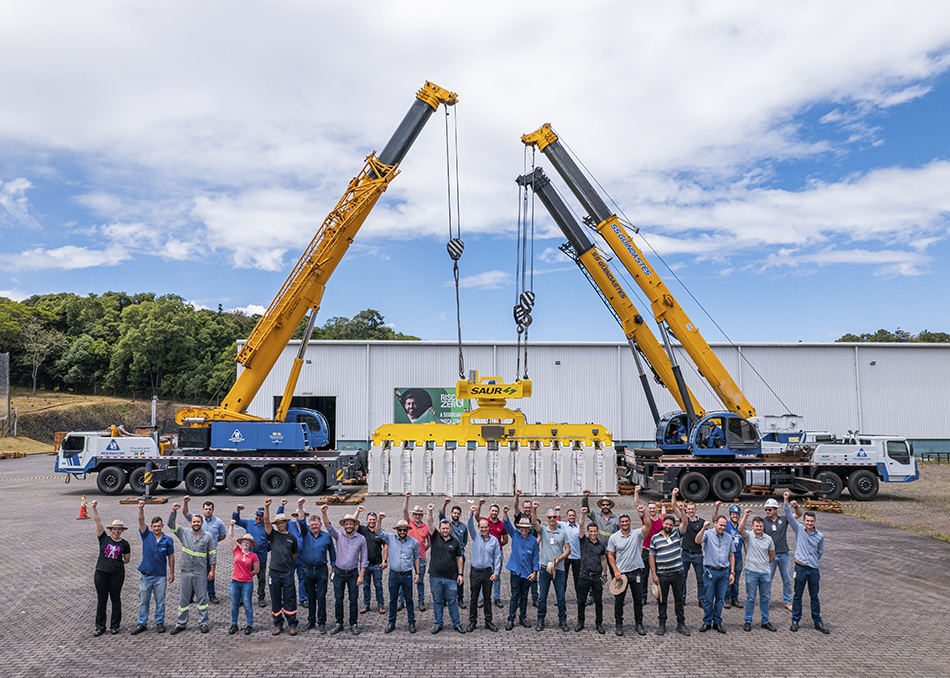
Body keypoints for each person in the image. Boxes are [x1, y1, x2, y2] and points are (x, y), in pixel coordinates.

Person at [168, 501, 216, 635]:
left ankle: (203, 622)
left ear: (202, 523)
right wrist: (173, 511)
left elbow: (212, 553)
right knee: (183, 599)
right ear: (190, 523)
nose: (196, 524)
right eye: (194, 522)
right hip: (186, 572)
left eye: (198, 522)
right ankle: (180, 623)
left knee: (202, 599)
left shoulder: (208, 536)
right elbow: (170, 525)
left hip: (200, 572)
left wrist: (212, 570)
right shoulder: (184, 533)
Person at [784, 491, 828, 634]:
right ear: (804, 521)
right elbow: (789, 516)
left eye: (811, 521)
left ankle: (817, 622)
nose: (809, 523)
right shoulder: (799, 530)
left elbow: (820, 552)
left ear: (815, 522)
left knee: (814, 597)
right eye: (807, 521)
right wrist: (786, 500)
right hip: (800, 569)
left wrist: (812, 561)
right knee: (797, 596)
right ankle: (795, 620)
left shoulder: (820, 536)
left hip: (813, 570)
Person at [322, 505, 368, 635]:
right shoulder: (339, 535)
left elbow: (364, 558)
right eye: (346, 524)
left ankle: (353, 623)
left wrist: (361, 575)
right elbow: (328, 527)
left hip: (353, 573)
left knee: (353, 600)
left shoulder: (361, 539)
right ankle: (339, 623)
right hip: (339, 573)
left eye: (351, 524)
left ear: (355, 525)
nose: (348, 526)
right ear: (343, 525)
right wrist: (324, 513)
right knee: (338, 600)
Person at [131, 499, 174, 635]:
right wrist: (141, 508)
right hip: (146, 575)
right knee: (143, 601)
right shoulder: (146, 535)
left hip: (160, 576)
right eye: (154, 526)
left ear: (162, 526)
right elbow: (141, 521)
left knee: (160, 601)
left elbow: (171, 557)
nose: (156, 528)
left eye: (158, 526)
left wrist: (171, 573)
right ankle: (142, 623)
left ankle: (159, 622)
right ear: (151, 526)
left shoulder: (168, 540)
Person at [606, 506, 651, 636]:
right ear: (619, 523)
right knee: (619, 600)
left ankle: (639, 624)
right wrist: (615, 571)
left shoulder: (637, 534)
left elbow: (648, 526)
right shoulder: (614, 537)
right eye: (622, 521)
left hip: (636, 572)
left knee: (638, 599)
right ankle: (619, 624)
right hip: (621, 574)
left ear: (630, 522)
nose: (625, 523)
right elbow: (610, 555)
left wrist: (644, 513)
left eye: (627, 521)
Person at [90, 500, 131, 636]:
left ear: (122, 531)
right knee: (102, 600)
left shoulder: (125, 544)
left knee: (115, 599)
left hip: (117, 574)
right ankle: (100, 627)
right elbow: (98, 522)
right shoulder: (104, 539)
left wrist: (115, 564)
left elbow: (127, 559)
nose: (116, 531)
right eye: (114, 529)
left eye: (119, 529)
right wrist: (94, 508)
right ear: (111, 530)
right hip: (101, 573)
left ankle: (115, 625)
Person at [376, 515, 420, 634]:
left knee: (409, 600)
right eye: (400, 530)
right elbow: (378, 531)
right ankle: (391, 623)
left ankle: (411, 623)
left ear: (407, 530)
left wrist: (418, 573)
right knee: (393, 600)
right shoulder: (390, 538)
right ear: (397, 530)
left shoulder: (413, 542)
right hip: (394, 575)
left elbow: (416, 558)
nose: (402, 532)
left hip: (407, 575)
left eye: (404, 530)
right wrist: (379, 520)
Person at [426, 504, 466, 634]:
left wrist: (460, 574)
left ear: (450, 529)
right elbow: (429, 522)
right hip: (435, 576)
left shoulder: (455, 542)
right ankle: (438, 624)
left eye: (447, 528)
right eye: (443, 528)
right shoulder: (435, 537)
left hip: (451, 578)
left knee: (453, 601)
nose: (445, 530)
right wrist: (429, 511)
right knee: (437, 601)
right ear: (439, 529)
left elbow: (459, 558)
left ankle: (457, 624)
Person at [296, 503, 336, 634]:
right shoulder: (305, 534)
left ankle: (322, 622)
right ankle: (311, 621)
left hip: (321, 570)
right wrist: (300, 505)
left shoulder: (327, 536)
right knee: (311, 597)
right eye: (312, 525)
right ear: (309, 526)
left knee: (321, 597)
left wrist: (333, 569)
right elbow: (301, 521)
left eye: (316, 525)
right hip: (307, 570)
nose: (314, 527)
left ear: (320, 525)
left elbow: (332, 553)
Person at [262, 498, 299, 636]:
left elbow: (295, 554)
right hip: (274, 572)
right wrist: (266, 507)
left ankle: (292, 624)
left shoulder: (292, 538)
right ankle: (277, 624)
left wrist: (286, 561)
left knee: (290, 598)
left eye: (282, 522)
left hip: (287, 572)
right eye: (278, 523)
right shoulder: (273, 535)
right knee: (275, 598)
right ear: (276, 525)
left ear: (286, 522)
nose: (280, 524)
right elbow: (266, 521)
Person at [532, 505, 571, 632]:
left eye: (554, 517)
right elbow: (534, 521)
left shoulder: (562, 533)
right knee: (542, 597)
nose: (552, 519)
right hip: (545, 568)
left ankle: (562, 621)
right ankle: (540, 620)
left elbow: (568, 549)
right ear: (547, 519)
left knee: (561, 598)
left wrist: (560, 558)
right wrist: (534, 509)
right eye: (550, 517)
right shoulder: (543, 531)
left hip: (559, 569)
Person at [736, 509, 776, 632]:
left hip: (765, 573)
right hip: (751, 572)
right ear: (753, 526)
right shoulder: (748, 536)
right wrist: (745, 516)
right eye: (757, 526)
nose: (759, 528)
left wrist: (763, 563)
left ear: (763, 527)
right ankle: (748, 620)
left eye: (760, 526)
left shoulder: (768, 539)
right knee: (750, 598)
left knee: (765, 598)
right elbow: (740, 529)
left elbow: (772, 556)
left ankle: (765, 621)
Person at [695, 515, 735, 633]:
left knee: (720, 599)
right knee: (708, 598)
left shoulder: (728, 537)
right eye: (721, 525)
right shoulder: (708, 534)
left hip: (724, 572)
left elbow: (731, 555)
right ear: (715, 523)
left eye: (724, 526)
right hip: (710, 571)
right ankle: (707, 621)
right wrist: (703, 528)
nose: (722, 527)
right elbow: (697, 540)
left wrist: (732, 573)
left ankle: (717, 622)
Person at [182, 496, 226, 605]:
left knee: (210, 574)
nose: (208, 511)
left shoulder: (219, 522)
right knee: (194, 575)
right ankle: (191, 596)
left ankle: (211, 595)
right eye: (206, 509)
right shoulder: (197, 519)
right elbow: (185, 513)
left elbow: (223, 535)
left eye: (210, 509)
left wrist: (212, 543)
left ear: (213, 510)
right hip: (197, 554)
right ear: (203, 510)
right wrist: (185, 502)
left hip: (210, 553)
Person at [465, 506, 502, 632]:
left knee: (487, 598)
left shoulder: (494, 541)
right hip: (475, 572)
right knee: (473, 598)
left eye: (485, 527)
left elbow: (497, 558)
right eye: (481, 527)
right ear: (479, 528)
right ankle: (472, 622)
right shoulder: (475, 536)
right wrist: (471, 513)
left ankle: (488, 622)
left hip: (487, 572)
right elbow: (469, 524)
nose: (483, 529)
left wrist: (496, 573)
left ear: (489, 527)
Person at [502, 505, 539, 631]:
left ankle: (522, 617)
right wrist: (505, 512)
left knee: (524, 596)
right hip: (516, 572)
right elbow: (506, 524)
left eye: (526, 528)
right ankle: (511, 619)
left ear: (529, 529)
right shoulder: (515, 534)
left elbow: (535, 558)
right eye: (522, 527)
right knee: (515, 596)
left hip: (527, 573)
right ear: (519, 528)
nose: (523, 530)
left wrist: (534, 573)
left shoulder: (533, 540)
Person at [573, 510, 607, 634]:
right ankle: (580, 622)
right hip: (584, 576)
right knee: (581, 601)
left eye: (594, 531)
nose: (593, 533)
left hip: (597, 577)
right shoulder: (583, 541)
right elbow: (581, 525)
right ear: (588, 532)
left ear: (597, 532)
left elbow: (603, 559)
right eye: (591, 531)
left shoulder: (601, 545)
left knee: (598, 602)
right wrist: (582, 514)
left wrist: (605, 574)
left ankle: (599, 623)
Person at [232, 504, 270, 607]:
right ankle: (241, 598)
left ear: (264, 517)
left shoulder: (267, 527)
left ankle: (261, 598)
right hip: (248, 558)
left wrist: (264, 549)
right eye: (257, 515)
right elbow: (237, 520)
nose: (258, 517)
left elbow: (271, 542)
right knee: (244, 578)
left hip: (261, 559)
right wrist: (237, 511)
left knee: (261, 579)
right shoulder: (249, 523)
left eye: (261, 516)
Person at [226, 520, 260, 635]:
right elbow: (230, 537)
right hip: (235, 582)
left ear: (250, 544)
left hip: (247, 583)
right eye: (244, 542)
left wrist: (249, 575)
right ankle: (234, 624)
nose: (245, 544)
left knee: (247, 605)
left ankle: (249, 625)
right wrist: (231, 526)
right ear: (241, 543)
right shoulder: (236, 551)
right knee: (235, 605)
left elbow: (256, 570)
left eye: (247, 542)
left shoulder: (253, 556)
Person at [400, 492, 431, 611]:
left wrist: (422, 550)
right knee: (404, 579)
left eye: (419, 515)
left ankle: (421, 601)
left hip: (421, 558)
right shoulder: (408, 523)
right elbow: (404, 511)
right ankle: (401, 600)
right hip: (407, 557)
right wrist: (406, 498)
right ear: (413, 515)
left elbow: (429, 543)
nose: (417, 516)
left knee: (420, 581)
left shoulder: (426, 527)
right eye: (416, 514)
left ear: (422, 516)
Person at [763, 497, 794, 611]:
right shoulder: (763, 521)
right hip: (770, 555)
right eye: (766, 510)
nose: (767, 512)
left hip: (784, 554)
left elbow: (797, 515)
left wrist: (795, 507)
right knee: (767, 579)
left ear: (776, 510)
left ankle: (788, 601)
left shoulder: (784, 519)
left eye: (769, 509)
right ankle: (766, 601)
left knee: (787, 579)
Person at [712, 501, 744, 608]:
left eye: (737, 514)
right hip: (726, 557)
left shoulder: (741, 527)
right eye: (733, 514)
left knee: (736, 579)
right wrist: (716, 508)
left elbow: (745, 542)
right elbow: (715, 520)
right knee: (727, 579)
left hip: (738, 557)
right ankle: (726, 599)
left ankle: (735, 598)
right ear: (729, 515)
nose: (735, 516)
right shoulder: (726, 526)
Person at [355, 507, 386, 615]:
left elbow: (386, 546)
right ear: (366, 520)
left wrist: (385, 560)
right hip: (365, 565)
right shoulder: (362, 530)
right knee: (365, 586)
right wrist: (358, 511)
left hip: (377, 565)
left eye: (374, 519)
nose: (372, 521)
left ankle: (381, 605)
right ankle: (366, 605)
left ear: (376, 520)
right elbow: (353, 523)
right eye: (370, 519)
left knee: (378, 586)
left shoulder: (380, 532)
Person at [512, 488, 540, 606]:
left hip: (532, 551)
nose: (528, 509)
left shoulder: (536, 520)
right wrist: (516, 496)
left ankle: (535, 598)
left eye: (529, 507)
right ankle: (519, 598)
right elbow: (515, 506)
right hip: (521, 553)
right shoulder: (520, 518)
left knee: (534, 575)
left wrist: (534, 545)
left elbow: (539, 535)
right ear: (523, 508)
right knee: (521, 575)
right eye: (526, 507)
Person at [440, 498, 469, 610]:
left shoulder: (463, 527)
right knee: (446, 577)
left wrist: (459, 549)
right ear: (451, 513)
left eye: (458, 513)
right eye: (454, 513)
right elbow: (441, 516)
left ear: (460, 515)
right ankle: (444, 598)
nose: (456, 515)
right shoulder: (448, 525)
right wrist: (444, 504)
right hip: (448, 556)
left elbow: (465, 541)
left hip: (459, 556)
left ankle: (460, 598)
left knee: (459, 577)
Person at [637, 486, 663, 606]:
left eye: (654, 508)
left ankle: (659, 596)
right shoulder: (645, 519)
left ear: (657, 509)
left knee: (658, 575)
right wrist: (636, 492)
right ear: (647, 509)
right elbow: (637, 505)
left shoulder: (661, 522)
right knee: (644, 575)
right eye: (650, 508)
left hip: (658, 552)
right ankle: (643, 597)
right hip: (646, 551)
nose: (652, 510)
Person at [680, 500, 706, 608]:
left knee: (700, 579)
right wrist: (674, 496)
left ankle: (701, 599)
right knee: (682, 577)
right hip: (685, 553)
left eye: (692, 509)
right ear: (686, 510)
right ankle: (682, 598)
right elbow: (674, 507)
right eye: (689, 509)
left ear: (695, 510)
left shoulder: (702, 522)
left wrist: (705, 550)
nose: (691, 511)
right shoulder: (684, 521)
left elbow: (706, 537)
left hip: (697, 554)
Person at [483, 502, 508, 608]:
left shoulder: (501, 524)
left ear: (498, 512)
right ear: (489, 511)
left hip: (498, 554)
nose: (494, 512)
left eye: (496, 511)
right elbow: (476, 516)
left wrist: (496, 547)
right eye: (492, 510)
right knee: (485, 576)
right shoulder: (485, 522)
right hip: (486, 554)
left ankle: (497, 598)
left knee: (496, 575)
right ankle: (484, 598)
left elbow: (505, 540)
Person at [555, 505, 581, 600]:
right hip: (565, 556)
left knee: (577, 579)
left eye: (573, 515)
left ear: (575, 516)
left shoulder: (579, 528)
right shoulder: (563, 525)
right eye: (570, 515)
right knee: (563, 579)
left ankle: (580, 598)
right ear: (566, 517)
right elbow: (554, 521)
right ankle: (560, 598)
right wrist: (557, 511)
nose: (571, 517)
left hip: (576, 557)